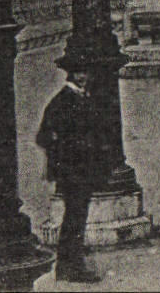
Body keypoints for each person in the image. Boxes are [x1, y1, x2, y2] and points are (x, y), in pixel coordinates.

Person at [36, 68, 109, 283]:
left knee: (76, 217)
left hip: (80, 169)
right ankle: (71, 266)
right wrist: (66, 151)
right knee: (74, 218)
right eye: (79, 73)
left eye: (85, 73)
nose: (84, 76)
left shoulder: (80, 97)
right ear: (72, 75)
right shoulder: (63, 101)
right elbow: (44, 136)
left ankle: (69, 265)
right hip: (73, 171)